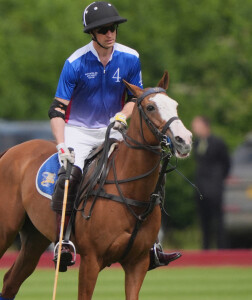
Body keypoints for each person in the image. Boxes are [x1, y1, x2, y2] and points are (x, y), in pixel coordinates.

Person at [49, 1, 180, 271]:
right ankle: (63, 241)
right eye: (104, 29)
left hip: (115, 127)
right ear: (92, 34)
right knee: (69, 175)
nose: (111, 33)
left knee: (151, 166)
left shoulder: (130, 57)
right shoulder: (74, 62)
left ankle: (153, 243)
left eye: (114, 28)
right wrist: (62, 145)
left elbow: (137, 98)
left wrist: (123, 114)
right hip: (79, 131)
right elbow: (57, 109)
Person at [191, 116, 231, 249]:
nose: (194, 128)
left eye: (196, 125)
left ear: (205, 125)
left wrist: (218, 179)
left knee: (218, 219)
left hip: (215, 187)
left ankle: (221, 248)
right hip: (200, 187)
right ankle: (205, 249)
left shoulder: (218, 142)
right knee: (204, 220)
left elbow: (226, 163)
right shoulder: (196, 143)